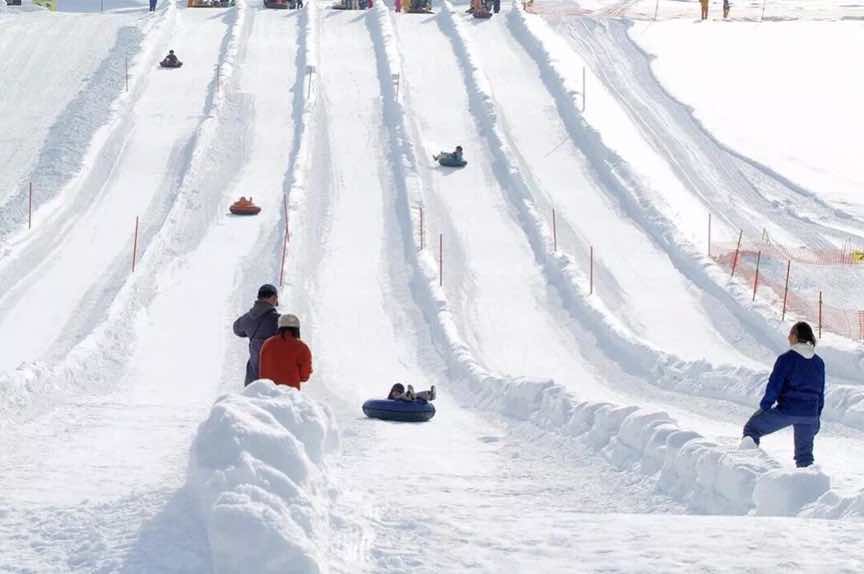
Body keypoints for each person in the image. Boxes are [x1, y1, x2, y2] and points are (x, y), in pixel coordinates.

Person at [740, 322, 825, 468]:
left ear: (795, 336)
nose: (788, 337)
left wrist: (765, 407)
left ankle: (746, 470)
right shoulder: (819, 362)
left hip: (788, 410)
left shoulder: (786, 359)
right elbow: (820, 392)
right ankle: (808, 485)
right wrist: (816, 417)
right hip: (810, 415)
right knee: (804, 456)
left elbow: (774, 386)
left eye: (790, 334)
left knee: (752, 429)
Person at [233, 284, 280, 385]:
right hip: (273, 379)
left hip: (252, 379)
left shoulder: (248, 318)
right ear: (273, 298)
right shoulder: (277, 320)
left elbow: (236, 329)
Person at [258, 314, 313, 390]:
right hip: (289, 393)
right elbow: (305, 375)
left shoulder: (267, 343)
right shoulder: (301, 347)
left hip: (268, 391)